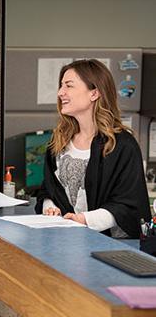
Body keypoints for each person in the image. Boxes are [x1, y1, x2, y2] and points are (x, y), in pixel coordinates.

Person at [35, 59, 151, 238]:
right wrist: (50, 208)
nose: (60, 93)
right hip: (65, 241)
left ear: (94, 93)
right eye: (61, 86)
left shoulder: (121, 145)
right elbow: (48, 189)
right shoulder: (59, 141)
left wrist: (84, 220)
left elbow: (129, 205)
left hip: (110, 247)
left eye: (69, 86)